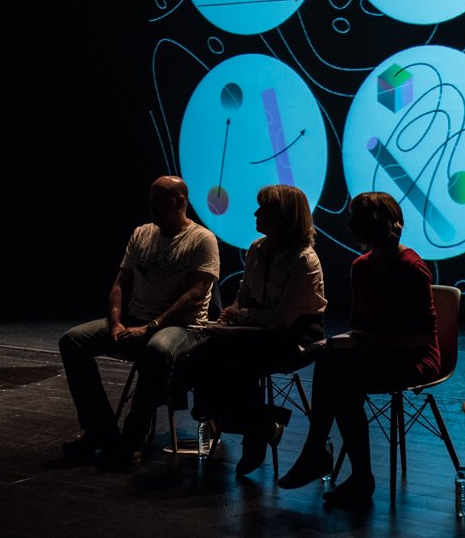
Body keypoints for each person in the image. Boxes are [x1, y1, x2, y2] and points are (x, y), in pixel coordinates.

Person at [276, 191, 440, 508]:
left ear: (378, 224)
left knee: (340, 377)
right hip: (378, 352)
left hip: (413, 357)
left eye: (358, 219)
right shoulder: (361, 267)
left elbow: (422, 337)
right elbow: (361, 327)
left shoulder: (411, 268)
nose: (350, 225)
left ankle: (328, 458)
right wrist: (334, 344)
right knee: (331, 363)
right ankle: (339, 465)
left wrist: (366, 343)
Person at [58, 175, 220, 470]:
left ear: (180, 201)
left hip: (184, 327)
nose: (151, 205)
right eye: (151, 199)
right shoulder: (142, 234)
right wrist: (116, 324)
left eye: (159, 199)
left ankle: (132, 440)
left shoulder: (202, 239)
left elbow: (195, 295)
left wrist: (150, 328)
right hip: (136, 321)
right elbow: (120, 283)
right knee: (73, 341)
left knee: (158, 349)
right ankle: (99, 431)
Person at [176, 184, 326, 477]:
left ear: (283, 216)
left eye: (264, 209)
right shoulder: (257, 249)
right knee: (198, 357)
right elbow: (244, 293)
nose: (256, 213)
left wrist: (241, 315)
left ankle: (252, 433)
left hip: (295, 336)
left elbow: (283, 318)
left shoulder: (304, 260)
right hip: (256, 331)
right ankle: (262, 423)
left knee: (238, 364)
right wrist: (233, 313)